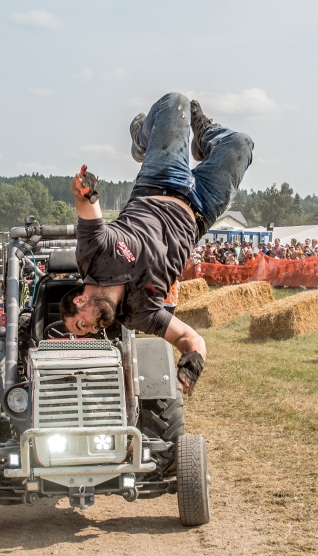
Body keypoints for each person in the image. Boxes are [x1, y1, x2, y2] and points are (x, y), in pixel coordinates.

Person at [61, 92, 253, 394]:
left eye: (81, 325)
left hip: (159, 181)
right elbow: (190, 339)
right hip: (201, 208)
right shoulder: (140, 315)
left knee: (176, 102)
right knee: (241, 144)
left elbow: (88, 209)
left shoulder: (93, 257)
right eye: (90, 331)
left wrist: (84, 190)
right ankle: (206, 141)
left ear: (79, 302)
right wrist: (192, 361)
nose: (93, 330)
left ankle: (142, 140)